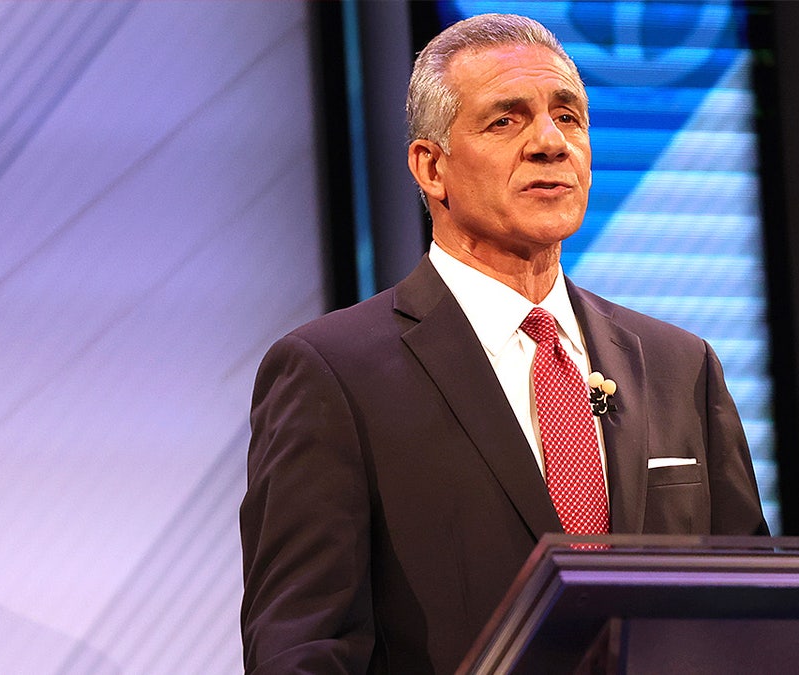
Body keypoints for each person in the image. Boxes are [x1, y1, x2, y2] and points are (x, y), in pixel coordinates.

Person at [240, 13, 768, 675]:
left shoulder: (679, 366)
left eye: (568, 117)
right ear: (431, 167)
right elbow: (301, 650)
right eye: (505, 121)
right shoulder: (332, 375)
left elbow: (755, 619)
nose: (551, 142)